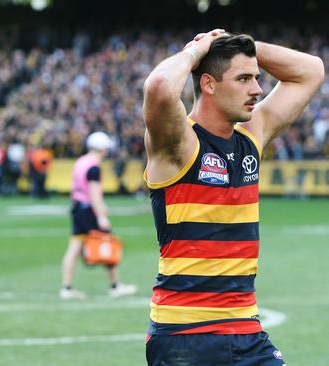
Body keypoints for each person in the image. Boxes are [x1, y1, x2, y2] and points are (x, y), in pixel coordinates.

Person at [142, 29, 323, 365]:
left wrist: (241, 44)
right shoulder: (180, 144)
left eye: (256, 77)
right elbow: (159, 87)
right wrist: (198, 50)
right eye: (243, 78)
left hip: (246, 329)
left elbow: (310, 70)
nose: (257, 89)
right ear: (209, 84)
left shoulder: (252, 135)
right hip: (185, 337)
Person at [60, 132, 137, 300]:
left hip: (77, 207)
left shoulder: (81, 162)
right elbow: (94, 194)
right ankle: (115, 285)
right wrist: (102, 215)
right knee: (108, 243)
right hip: (88, 210)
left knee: (74, 248)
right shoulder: (93, 167)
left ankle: (66, 287)